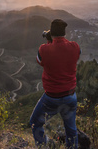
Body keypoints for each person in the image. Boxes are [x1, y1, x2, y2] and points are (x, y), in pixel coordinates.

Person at [29, 19, 81, 148]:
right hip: (70, 96)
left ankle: (42, 146)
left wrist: (49, 42)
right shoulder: (75, 47)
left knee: (35, 122)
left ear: (51, 34)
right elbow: (76, 55)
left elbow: (39, 60)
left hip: (51, 98)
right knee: (71, 128)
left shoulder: (44, 49)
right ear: (64, 33)